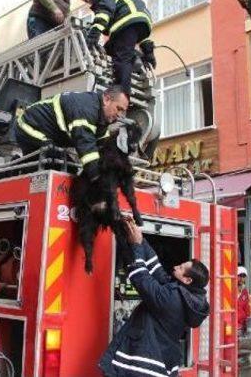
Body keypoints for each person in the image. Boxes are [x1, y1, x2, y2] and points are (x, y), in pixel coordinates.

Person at [99, 217, 210, 377]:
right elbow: (157, 271)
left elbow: (141, 278)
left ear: (187, 279)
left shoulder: (172, 299)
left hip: (143, 368)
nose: (175, 267)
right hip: (160, 363)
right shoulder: (186, 296)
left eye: (180, 267)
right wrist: (141, 240)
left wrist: (136, 246)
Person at [14, 85, 129, 181]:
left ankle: (19, 168)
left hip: (52, 135)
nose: (120, 115)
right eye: (118, 109)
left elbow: (104, 148)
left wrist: (119, 172)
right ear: (106, 99)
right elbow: (86, 145)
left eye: (122, 111)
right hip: (30, 126)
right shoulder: (85, 109)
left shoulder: (102, 119)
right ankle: (16, 172)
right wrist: (98, 179)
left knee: (69, 169)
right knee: (52, 161)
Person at [79, 0, 156, 94]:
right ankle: (136, 58)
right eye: (85, 0)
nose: (88, 0)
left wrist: (93, 35)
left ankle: (122, 95)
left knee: (122, 59)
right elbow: (136, 34)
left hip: (126, 21)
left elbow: (105, 11)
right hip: (140, 22)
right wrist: (148, 50)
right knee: (108, 49)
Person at [238, 266, 251, 334]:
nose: (242, 279)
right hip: (233, 324)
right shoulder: (230, 290)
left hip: (242, 325)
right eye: (240, 276)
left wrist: (247, 322)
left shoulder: (244, 291)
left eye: (243, 276)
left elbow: (246, 307)